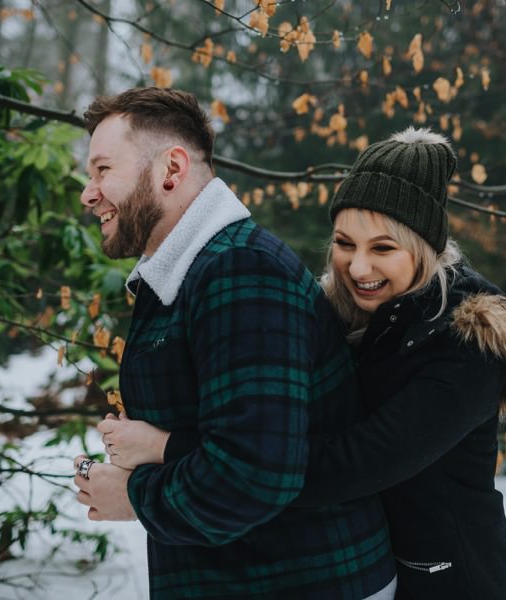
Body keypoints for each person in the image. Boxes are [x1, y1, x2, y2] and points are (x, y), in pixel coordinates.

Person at [99, 127, 506, 599]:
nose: (357, 267)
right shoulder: (340, 318)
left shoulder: (467, 346)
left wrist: (169, 450)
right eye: (344, 243)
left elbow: (354, 462)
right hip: (373, 568)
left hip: (451, 580)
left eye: (383, 248)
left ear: (424, 249)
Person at [71, 87, 396, 600]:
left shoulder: (242, 271)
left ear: (170, 170)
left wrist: (134, 495)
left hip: (303, 582)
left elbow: (253, 474)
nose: (89, 193)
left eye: (103, 170)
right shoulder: (188, 273)